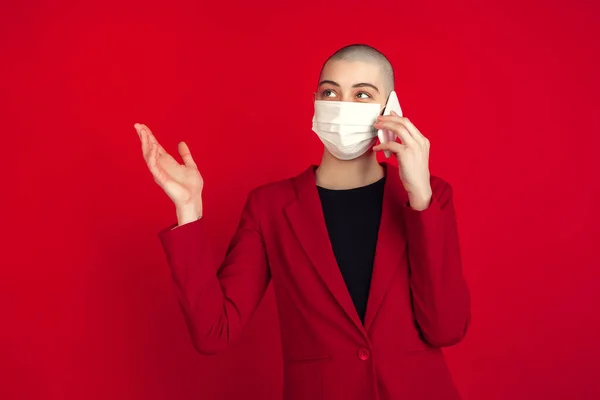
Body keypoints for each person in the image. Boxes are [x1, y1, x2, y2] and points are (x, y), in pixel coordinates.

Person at [135, 44, 471, 400]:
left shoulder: (430, 196)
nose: (342, 106)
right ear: (315, 103)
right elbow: (214, 333)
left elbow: (445, 329)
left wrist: (421, 200)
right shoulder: (270, 207)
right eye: (330, 92)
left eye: (361, 94)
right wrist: (188, 210)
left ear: (390, 108)